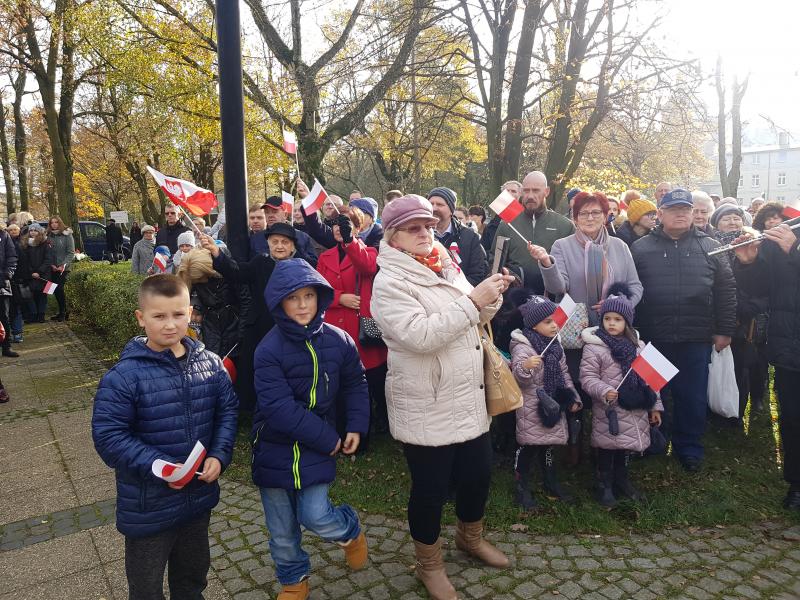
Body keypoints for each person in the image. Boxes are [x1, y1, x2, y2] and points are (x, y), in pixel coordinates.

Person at [371, 195, 513, 599]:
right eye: (413, 228)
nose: (424, 233)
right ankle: (429, 565)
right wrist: (473, 302)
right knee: (431, 489)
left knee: (478, 474)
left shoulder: (444, 262)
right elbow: (421, 336)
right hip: (426, 399)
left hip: (467, 393)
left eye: (429, 226)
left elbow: (475, 314)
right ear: (393, 236)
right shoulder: (389, 281)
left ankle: (470, 538)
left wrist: (493, 294)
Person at [91, 274, 238, 600]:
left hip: (197, 502)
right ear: (141, 318)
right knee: (146, 589)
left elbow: (227, 412)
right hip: (149, 508)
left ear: (191, 313)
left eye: (178, 314)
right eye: (159, 316)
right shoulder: (125, 377)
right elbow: (108, 436)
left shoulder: (211, 365)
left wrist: (219, 454)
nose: (170, 325)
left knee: (191, 580)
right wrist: (159, 466)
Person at [253, 259, 369, 600]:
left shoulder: (340, 340)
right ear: (278, 303)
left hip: (318, 448)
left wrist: (357, 426)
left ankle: (350, 531)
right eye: (292, 298)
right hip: (275, 448)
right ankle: (294, 580)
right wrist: (329, 439)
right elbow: (278, 408)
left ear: (321, 297)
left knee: (316, 515)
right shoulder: (268, 350)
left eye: (308, 295)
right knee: (282, 530)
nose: (302, 304)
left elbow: (356, 383)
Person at [530, 191, 642, 464]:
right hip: (576, 328)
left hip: (611, 327)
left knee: (610, 380)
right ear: (575, 217)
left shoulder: (619, 247)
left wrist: (617, 303)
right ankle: (575, 440)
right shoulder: (563, 245)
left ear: (606, 216)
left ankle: (608, 443)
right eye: (583, 213)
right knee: (579, 381)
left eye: (595, 213)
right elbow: (559, 288)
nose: (589, 218)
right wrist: (547, 263)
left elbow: (635, 287)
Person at [631, 189, 736, 472]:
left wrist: (724, 329)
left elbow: (726, 290)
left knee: (692, 396)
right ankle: (655, 440)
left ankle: (688, 447)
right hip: (655, 336)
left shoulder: (710, 246)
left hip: (696, 336)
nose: (681, 213)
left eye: (686, 209)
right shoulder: (640, 248)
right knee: (655, 392)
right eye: (673, 208)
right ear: (660, 214)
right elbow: (631, 290)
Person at [200, 223, 314, 411]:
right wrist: (216, 252)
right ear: (268, 243)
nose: (279, 246)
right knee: (257, 368)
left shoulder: (302, 265)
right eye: (275, 241)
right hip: (261, 327)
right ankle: (254, 407)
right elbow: (236, 272)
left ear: (293, 245)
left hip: (292, 327)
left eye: (284, 242)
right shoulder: (261, 262)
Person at [732, 220, 800, 509]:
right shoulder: (785, 236)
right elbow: (761, 291)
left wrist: (795, 250)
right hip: (789, 348)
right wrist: (748, 263)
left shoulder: (791, 242)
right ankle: (797, 485)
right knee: (793, 419)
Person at [579, 287, 663, 507]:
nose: (611, 323)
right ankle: (604, 484)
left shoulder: (639, 347)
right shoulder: (594, 348)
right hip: (609, 408)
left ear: (627, 321)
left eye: (617, 319)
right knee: (608, 447)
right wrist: (603, 391)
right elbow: (587, 377)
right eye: (607, 318)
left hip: (634, 406)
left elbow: (652, 380)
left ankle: (622, 480)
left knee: (625, 448)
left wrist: (655, 407)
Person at [316, 209, 389, 441]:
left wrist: (350, 241)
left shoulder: (369, 251)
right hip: (335, 326)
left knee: (372, 381)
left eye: (346, 224)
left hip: (362, 329)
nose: (339, 228)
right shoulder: (324, 257)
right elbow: (319, 289)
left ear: (357, 228)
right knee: (342, 382)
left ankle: (380, 425)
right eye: (336, 224)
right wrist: (339, 298)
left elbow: (367, 266)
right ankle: (345, 428)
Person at [510, 296, 581, 511]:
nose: (554, 325)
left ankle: (550, 480)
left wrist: (573, 397)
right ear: (534, 325)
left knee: (548, 446)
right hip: (532, 407)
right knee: (528, 447)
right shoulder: (524, 347)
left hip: (553, 404)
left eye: (555, 321)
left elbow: (564, 374)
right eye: (547, 322)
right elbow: (519, 376)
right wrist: (526, 367)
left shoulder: (555, 347)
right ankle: (521, 485)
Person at [710, 204, 767, 418]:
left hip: (743, 320)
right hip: (714, 316)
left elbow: (762, 287)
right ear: (716, 223)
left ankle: (736, 411)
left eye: (736, 217)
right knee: (715, 366)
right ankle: (714, 408)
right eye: (727, 218)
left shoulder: (753, 244)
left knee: (739, 367)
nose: (733, 222)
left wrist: (744, 311)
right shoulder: (709, 244)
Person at [492, 172, 574, 292]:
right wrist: (506, 274)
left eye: (536, 190)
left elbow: (573, 267)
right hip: (513, 300)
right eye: (526, 190)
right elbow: (494, 261)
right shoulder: (507, 224)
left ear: (546, 191)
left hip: (551, 301)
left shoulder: (565, 226)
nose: (530, 195)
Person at [177, 247, 239, 359]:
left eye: (201, 279)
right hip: (210, 329)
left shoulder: (228, 272)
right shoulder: (189, 276)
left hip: (231, 327)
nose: (201, 282)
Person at [428, 187, 488, 286]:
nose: (434, 208)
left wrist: (455, 291)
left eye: (440, 204)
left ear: (451, 210)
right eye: (431, 204)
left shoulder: (470, 237)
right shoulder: (419, 236)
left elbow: (477, 274)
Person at [255, 196, 318, 266]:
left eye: (274, 211)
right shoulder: (255, 239)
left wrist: (296, 252)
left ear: (285, 214)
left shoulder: (302, 237)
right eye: (267, 212)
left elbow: (314, 266)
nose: (270, 215)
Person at [481, 180, 522, 255]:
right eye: (506, 191)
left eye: (513, 191)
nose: (509, 194)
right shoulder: (491, 226)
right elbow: (484, 250)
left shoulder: (527, 220)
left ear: (520, 194)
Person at [21, 224, 52, 324]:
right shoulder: (26, 244)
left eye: (35, 230)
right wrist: (32, 272)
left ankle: (41, 315)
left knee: (43, 295)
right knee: (31, 296)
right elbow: (25, 260)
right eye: (31, 230)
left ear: (39, 232)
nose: (33, 232)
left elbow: (48, 260)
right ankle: (33, 315)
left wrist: (39, 272)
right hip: (31, 275)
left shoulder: (45, 243)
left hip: (44, 274)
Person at [46, 215, 74, 322]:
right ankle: (63, 311)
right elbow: (47, 253)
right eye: (52, 223)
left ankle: (63, 312)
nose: (54, 224)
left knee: (59, 289)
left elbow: (70, 253)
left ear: (60, 223)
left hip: (64, 268)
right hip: (52, 268)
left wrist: (63, 265)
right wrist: (52, 265)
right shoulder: (48, 235)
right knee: (53, 290)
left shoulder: (67, 235)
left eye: (56, 222)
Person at [7, 224, 25, 341]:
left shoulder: (17, 245)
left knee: (15, 307)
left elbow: (20, 262)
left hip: (13, 281)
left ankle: (17, 333)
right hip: (9, 279)